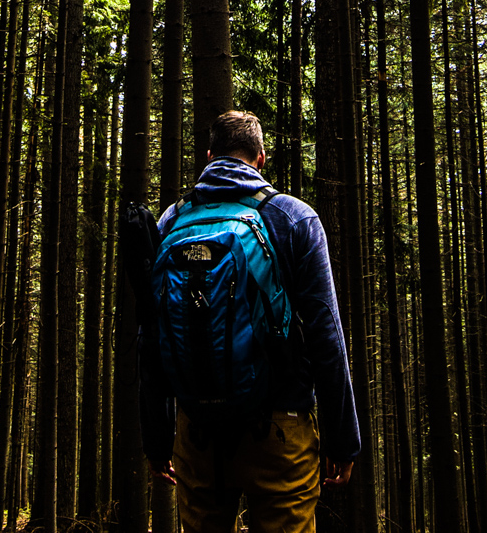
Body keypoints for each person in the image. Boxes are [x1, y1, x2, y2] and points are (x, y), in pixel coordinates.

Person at [139, 109, 362, 532]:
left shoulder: (171, 220)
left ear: (209, 156)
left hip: (196, 433)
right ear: (261, 158)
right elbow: (325, 335)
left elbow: (151, 335)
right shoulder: (294, 218)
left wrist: (156, 437)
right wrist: (343, 438)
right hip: (280, 428)